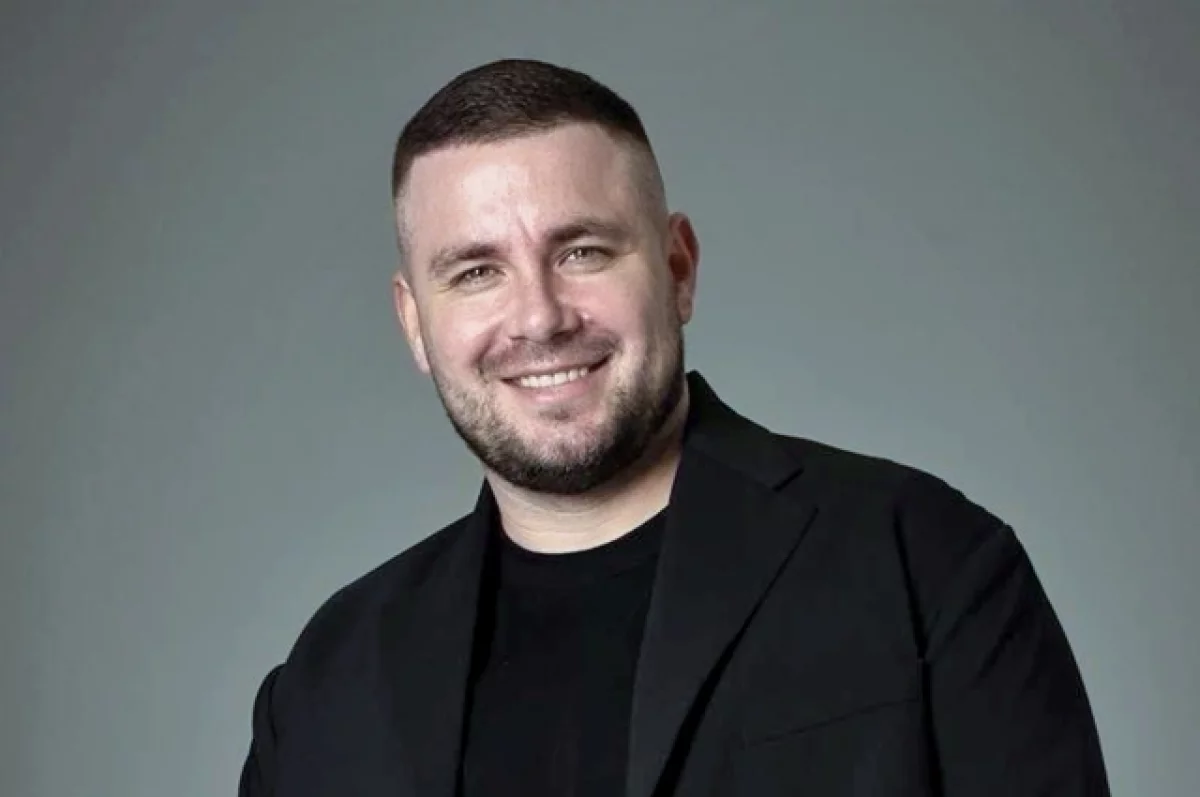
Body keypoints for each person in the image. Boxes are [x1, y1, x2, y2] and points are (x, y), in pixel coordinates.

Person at [238, 58, 1110, 796]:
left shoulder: (927, 559)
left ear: (678, 268)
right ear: (414, 322)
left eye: (582, 251)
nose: (539, 317)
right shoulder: (327, 681)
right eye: (475, 272)